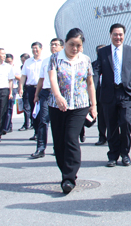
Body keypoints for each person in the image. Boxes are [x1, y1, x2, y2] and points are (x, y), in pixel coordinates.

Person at [47, 28, 97, 194]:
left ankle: (69, 178)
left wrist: (93, 105)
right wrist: (58, 96)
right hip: (57, 105)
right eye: (71, 44)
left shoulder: (85, 60)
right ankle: (65, 170)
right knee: (59, 143)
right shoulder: (55, 59)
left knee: (71, 138)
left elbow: (90, 83)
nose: (74, 48)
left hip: (79, 105)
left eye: (78, 45)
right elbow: (52, 79)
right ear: (65, 43)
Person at [95, 23, 131, 167]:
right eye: (115, 34)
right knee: (112, 125)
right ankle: (113, 155)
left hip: (125, 93)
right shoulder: (103, 52)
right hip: (108, 94)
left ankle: (125, 154)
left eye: (120, 34)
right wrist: (94, 88)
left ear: (124, 36)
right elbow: (96, 72)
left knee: (126, 123)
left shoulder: (130, 50)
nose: (118, 37)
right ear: (110, 35)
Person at [31, 38, 64, 159]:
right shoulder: (45, 61)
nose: (53, 47)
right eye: (51, 45)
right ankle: (40, 148)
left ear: (62, 47)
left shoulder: (64, 60)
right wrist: (36, 95)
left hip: (60, 93)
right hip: (46, 92)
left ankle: (58, 147)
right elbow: (41, 79)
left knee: (59, 122)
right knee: (43, 120)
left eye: (56, 45)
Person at [19, 42, 43, 136]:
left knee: (42, 111)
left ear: (41, 49)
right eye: (33, 48)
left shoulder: (45, 61)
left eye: (36, 48)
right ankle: (36, 132)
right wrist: (20, 88)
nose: (34, 50)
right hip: (30, 88)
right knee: (33, 110)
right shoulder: (28, 62)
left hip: (42, 89)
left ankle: (41, 132)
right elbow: (23, 76)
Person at [1, 54, 22, 134]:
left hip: (13, 88)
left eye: (9, 61)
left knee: (9, 108)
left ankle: (7, 127)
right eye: (6, 61)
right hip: (3, 88)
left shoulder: (15, 68)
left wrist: (12, 76)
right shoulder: (2, 67)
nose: (8, 63)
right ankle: (5, 125)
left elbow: (20, 78)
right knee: (2, 108)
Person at [92, 45, 107, 145]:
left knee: (111, 117)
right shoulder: (93, 64)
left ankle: (112, 137)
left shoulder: (111, 62)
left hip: (109, 92)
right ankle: (102, 137)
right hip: (98, 93)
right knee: (101, 116)